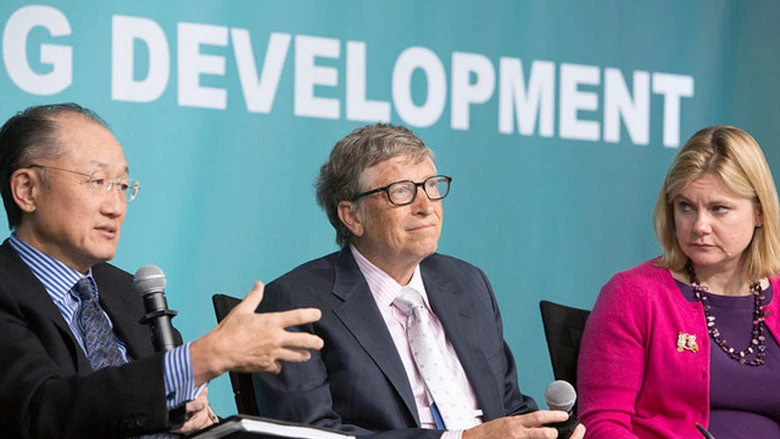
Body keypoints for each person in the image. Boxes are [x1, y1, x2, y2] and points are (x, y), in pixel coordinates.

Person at [0, 103, 325, 438]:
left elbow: (165, 408)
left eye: (123, 186)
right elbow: (39, 412)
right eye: (97, 181)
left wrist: (203, 422)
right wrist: (202, 359)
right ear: (27, 190)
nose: (116, 207)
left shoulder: (129, 292)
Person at [252, 123, 585, 439]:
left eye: (431, 186)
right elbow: (313, 434)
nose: (427, 206)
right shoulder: (297, 303)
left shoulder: (467, 284)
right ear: (352, 215)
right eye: (401, 192)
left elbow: (508, 407)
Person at [578, 125, 780, 438]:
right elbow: (603, 425)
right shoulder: (634, 295)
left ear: (759, 213)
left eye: (719, 209)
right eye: (686, 206)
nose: (699, 225)